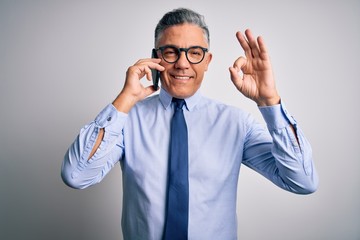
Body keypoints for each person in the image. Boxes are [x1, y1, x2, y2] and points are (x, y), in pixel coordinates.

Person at [61, 8, 318, 240]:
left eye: (195, 53)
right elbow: (77, 175)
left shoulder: (236, 123)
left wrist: (269, 101)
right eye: (171, 52)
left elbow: (302, 181)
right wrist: (124, 101)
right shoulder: (127, 121)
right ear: (155, 58)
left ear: (207, 61)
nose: (183, 63)